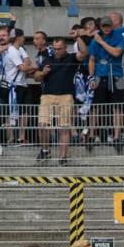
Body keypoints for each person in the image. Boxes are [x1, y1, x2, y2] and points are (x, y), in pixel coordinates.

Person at [33, 36, 87, 164]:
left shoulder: (72, 58)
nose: (57, 51)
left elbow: (84, 53)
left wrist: (78, 37)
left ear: (65, 48)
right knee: (42, 124)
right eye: (55, 49)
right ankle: (45, 150)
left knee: (64, 127)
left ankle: (63, 156)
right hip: (47, 95)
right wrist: (42, 73)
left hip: (66, 95)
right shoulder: (47, 59)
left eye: (59, 49)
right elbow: (36, 77)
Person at [87, 14, 124, 148]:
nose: (106, 28)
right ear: (101, 26)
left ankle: (117, 136)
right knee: (96, 107)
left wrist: (102, 42)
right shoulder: (94, 41)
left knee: (118, 107)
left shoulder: (118, 37)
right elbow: (92, 60)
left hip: (116, 76)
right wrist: (91, 77)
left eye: (108, 25)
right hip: (100, 76)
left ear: (112, 25)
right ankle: (92, 135)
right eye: (104, 26)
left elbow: (117, 53)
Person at [0, 28, 31, 145]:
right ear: (19, 37)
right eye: (22, 37)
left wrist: (28, 65)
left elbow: (27, 61)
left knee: (24, 112)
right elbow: (23, 67)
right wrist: (34, 67)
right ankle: (11, 138)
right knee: (11, 112)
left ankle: (21, 137)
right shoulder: (12, 50)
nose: (23, 39)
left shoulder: (21, 49)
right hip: (13, 85)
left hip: (22, 84)